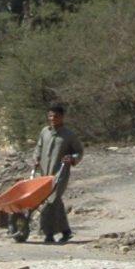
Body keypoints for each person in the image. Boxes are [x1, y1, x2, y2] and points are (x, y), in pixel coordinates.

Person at [32, 100, 83, 244]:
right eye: (50, 116)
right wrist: (36, 158)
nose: (53, 119)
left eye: (56, 117)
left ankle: (48, 234)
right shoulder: (44, 131)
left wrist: (71, 158)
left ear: (62, 117)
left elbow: (79, 152)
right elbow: (39, 147)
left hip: (60, 174)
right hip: (44, 174)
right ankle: (65, 231)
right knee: (51, 200)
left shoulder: (68, 135)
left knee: (52, 200)